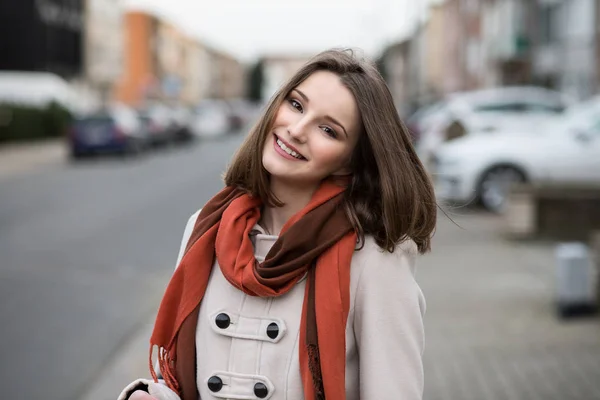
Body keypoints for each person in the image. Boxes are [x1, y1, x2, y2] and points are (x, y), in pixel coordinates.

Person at [119, 48, 437, 400]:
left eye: (328, 130)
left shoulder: (373, 260)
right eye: (297, 105)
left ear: (350, 161)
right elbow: (184, 379)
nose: (297, 129)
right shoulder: (205, 230)